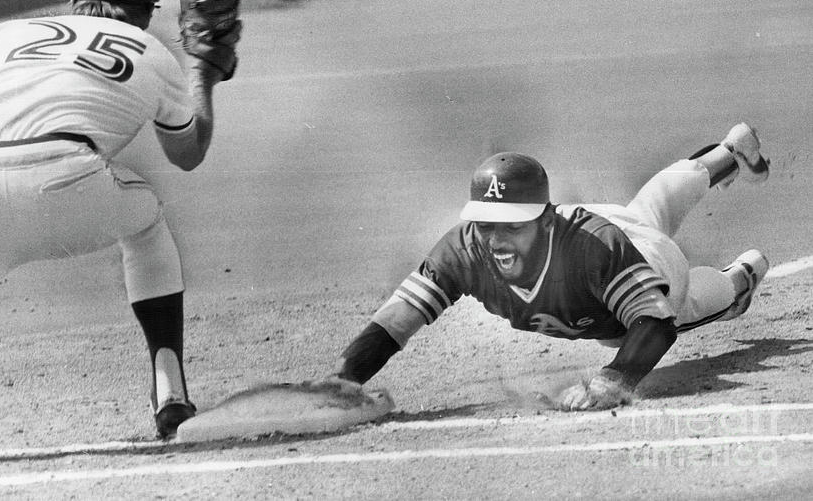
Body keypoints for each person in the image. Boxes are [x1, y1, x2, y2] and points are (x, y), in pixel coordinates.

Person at [0, 0, 238, 438]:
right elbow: (187, 153)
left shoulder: (2, 34)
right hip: (64, 185)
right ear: (147, 10)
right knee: (146, 220)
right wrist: (204, 73)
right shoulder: (152, 50)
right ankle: (170, 392)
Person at [330, 123, 772, 411]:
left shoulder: (590, 249)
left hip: (647, 259)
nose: (495, 238)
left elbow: (655, 325)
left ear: (544, 220)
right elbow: (396, 321)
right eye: (486, 223)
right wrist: (343, 380)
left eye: (512, 226)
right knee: (647, 209)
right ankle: (729, 151)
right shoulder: (465, 247)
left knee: (679, 302)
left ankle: (741, 278)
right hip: (608, 226)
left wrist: (610, 382)